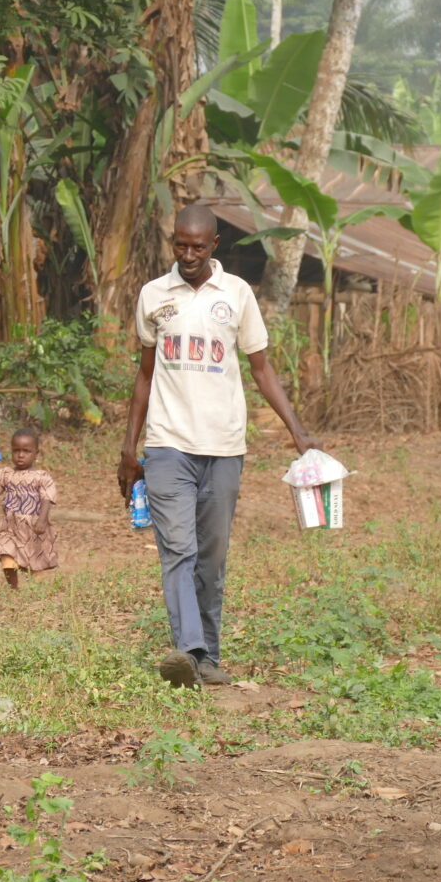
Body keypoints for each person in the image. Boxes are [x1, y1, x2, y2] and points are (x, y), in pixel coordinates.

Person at [118, 204, 317, 690]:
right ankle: (189, 651)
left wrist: (297, 431)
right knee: (178, 550)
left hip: (224, 446)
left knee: (212, 557)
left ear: (214, 245)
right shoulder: (153, 295)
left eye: (197, 246)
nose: (187, 255)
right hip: (167, 445)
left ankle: (209, 654)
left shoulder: (237, 295)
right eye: (179, 245)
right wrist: (129, 446)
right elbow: (145, 375)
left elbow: (262, 368)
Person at [0, 427, 58, 589]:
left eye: (26, 451)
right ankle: (14, 589)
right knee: (7, 556)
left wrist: (42, 520)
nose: (20, 455)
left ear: (36, 453)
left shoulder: (41, 476)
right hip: (10, 526)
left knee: (34, 562)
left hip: (33, 527)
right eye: (16, 450)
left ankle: (36, 593)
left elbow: (47, 498)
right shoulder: (5, 474)